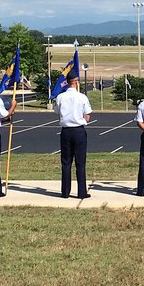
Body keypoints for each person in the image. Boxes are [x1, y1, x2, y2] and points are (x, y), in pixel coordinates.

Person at [55, 71, 92, 199]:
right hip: (79, 131)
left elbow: (57, 112)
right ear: (76, 82)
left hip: (66, 131)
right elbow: (87, 116)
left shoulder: (60, 97)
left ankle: (65, 192)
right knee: (80, 163)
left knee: (66, 162)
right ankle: (81, 192)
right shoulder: (82, 97)